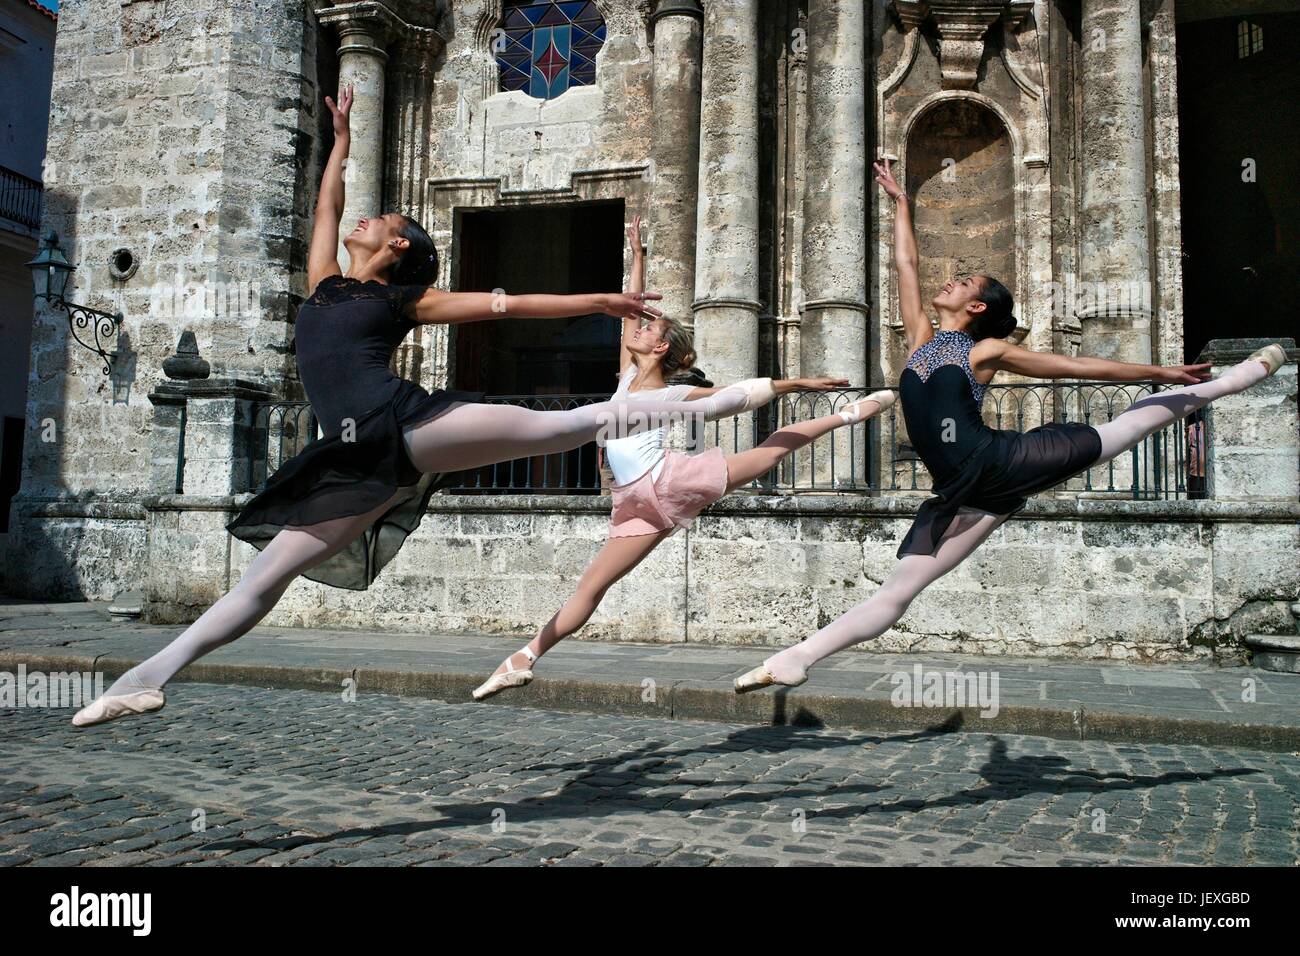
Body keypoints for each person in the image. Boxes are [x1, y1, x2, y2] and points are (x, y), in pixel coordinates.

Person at [71, 86, 764, 727]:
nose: (362, 219)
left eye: (381, 220)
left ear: (397, 245)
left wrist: (600, 301)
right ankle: (148, 676)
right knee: (264, 579)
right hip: (348, 462)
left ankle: (714, 399)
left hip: (408, 422)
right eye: (365, 215)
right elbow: (326, 209)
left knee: (563, 426)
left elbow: (507, 304)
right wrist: (340, 142)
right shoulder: (325, 286)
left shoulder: (404, 299)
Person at [735, 158, 1286, 691]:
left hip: (999, 460)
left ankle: (1228, 382)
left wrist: (1157, 370)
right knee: (898, 592)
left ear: (978, 307)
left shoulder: (985, 352)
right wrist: (901, 203)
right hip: (962, 493)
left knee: (1124, 433)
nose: (951, 281)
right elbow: (905, 265)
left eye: (965, 281)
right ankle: (797, 658)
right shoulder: (922, 339)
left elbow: (1074, 367)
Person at [472, 215, 893, 700]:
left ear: (662, 345)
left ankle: (850, 414)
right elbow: (630, 311)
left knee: (770, 450)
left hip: (668, 479)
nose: (640, 328)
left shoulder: (671, 392)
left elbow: (731, 398)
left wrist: (796, 382)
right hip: (631, 501)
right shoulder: (627, 377)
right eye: (644, 325)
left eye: (651, 328)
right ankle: (521, 659)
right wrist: (638, 256)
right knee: (591, 587)